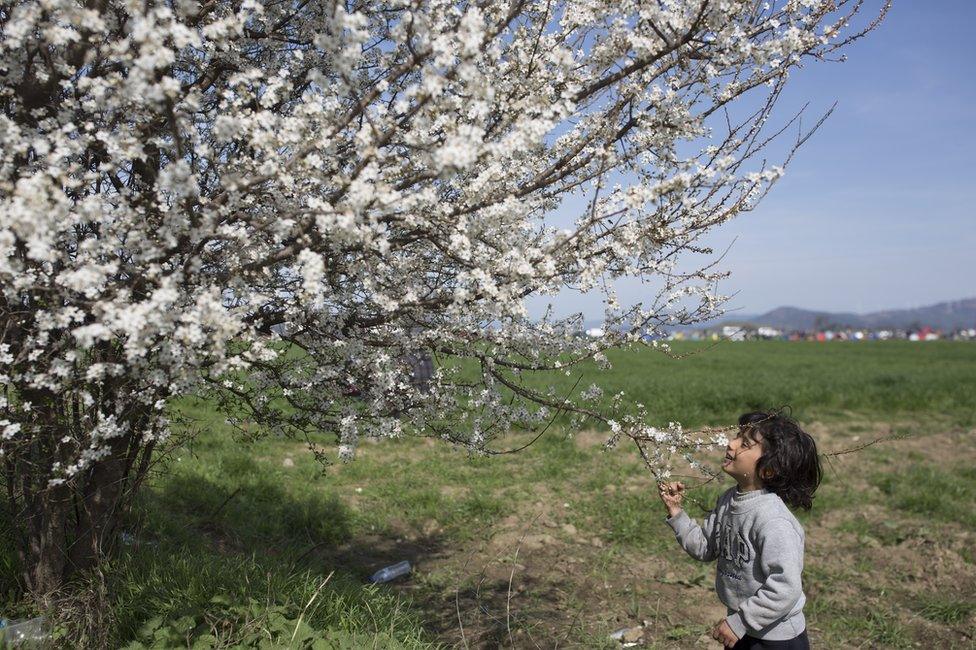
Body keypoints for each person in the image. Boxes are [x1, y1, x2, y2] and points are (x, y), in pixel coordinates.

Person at [657, 411, 822, 649]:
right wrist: (676, 512)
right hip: (741, 628)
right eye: (737, 436)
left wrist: (741, 621)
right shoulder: (728, 501)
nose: (730, 443)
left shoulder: (773, 521)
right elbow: (705, 547)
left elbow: (785, 587)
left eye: (744, 443)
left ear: (768, 470)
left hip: (776, 638)